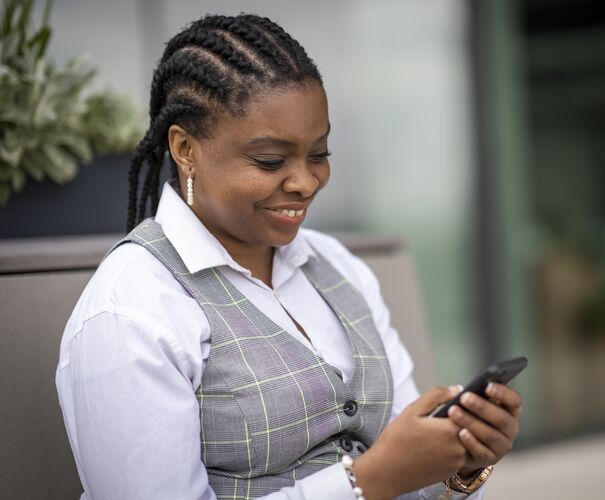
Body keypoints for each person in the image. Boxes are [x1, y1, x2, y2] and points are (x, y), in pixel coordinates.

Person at [56, 13, 522, 500]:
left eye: (319, 154)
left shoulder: (339, 266)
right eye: (270, 161)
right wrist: (368, 482)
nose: (304, 182)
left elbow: (409, 474)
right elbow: (384, 477)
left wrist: (460, 465)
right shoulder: (131, 310)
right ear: (185, 148)